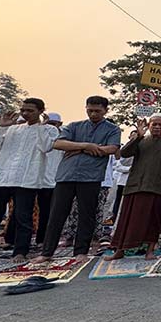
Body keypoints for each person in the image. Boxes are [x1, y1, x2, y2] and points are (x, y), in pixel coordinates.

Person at [33, 96, 121, 264]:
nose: (93, 114)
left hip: (91, 177)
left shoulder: (112, 129)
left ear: (105, 111)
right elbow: (58, 144)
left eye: (98, 111)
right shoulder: (74, 126)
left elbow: (111, 149)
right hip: (66, 175)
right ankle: (47, 252)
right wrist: (86, 146)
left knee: (86, 215)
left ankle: (81, 251)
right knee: (57, 214)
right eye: (90, 110)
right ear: (86, 108)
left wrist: (75, 147)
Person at [0, 100, 57, 263]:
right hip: (2, 177)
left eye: (30, 111)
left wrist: (40, 127)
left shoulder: (49, 129)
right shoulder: (11, 129)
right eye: (23, 110)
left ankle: (20, 251)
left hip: (27, 179)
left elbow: (46, 147)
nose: (25, 113)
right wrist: (1, 126)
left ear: (41, 111)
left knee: (22, 217)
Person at [105, 114, 161, 261]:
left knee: (153, 222)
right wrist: (137, 137)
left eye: (160, 125)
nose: (157, 127)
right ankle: (120, 251)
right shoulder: (141, 140)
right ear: (149, 126)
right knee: (127, 221)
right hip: (135, 186)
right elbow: (124, 153)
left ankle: (149, 251)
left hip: (157, 187)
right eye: (154, 124)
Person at [35, 112, 63, 245]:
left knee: (50, 212)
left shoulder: (62, 138)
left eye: (52, 124)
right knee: (43, 211)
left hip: (54, 180)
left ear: (59, 125)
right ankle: (42, 239)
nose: (50, 127)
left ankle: (46, 240)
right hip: (38, 180)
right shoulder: (39, 134)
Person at [107, 130, 137, 224]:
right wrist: (130, 169)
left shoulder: (139, 148)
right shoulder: (124, 149)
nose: (134, 138)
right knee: (117, 202)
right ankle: (113, 220)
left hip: (134, 183)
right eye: (133, 136)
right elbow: (118, 165)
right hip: (122, 182)